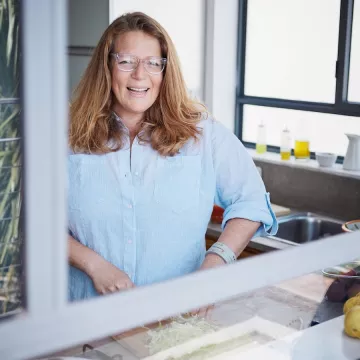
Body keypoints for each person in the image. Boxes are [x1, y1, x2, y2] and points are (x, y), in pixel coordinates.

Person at [67, 12, 278, 303]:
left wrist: (216, 261)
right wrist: (94, 265)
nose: (140, 75)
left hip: (177, 316)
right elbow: (32, 220)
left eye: (153, 63)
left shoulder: (205, 135)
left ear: (166, 71)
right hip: (85, 315)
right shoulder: (65, 135)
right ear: (107, 66)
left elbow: (251, 202)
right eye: (126, 61)